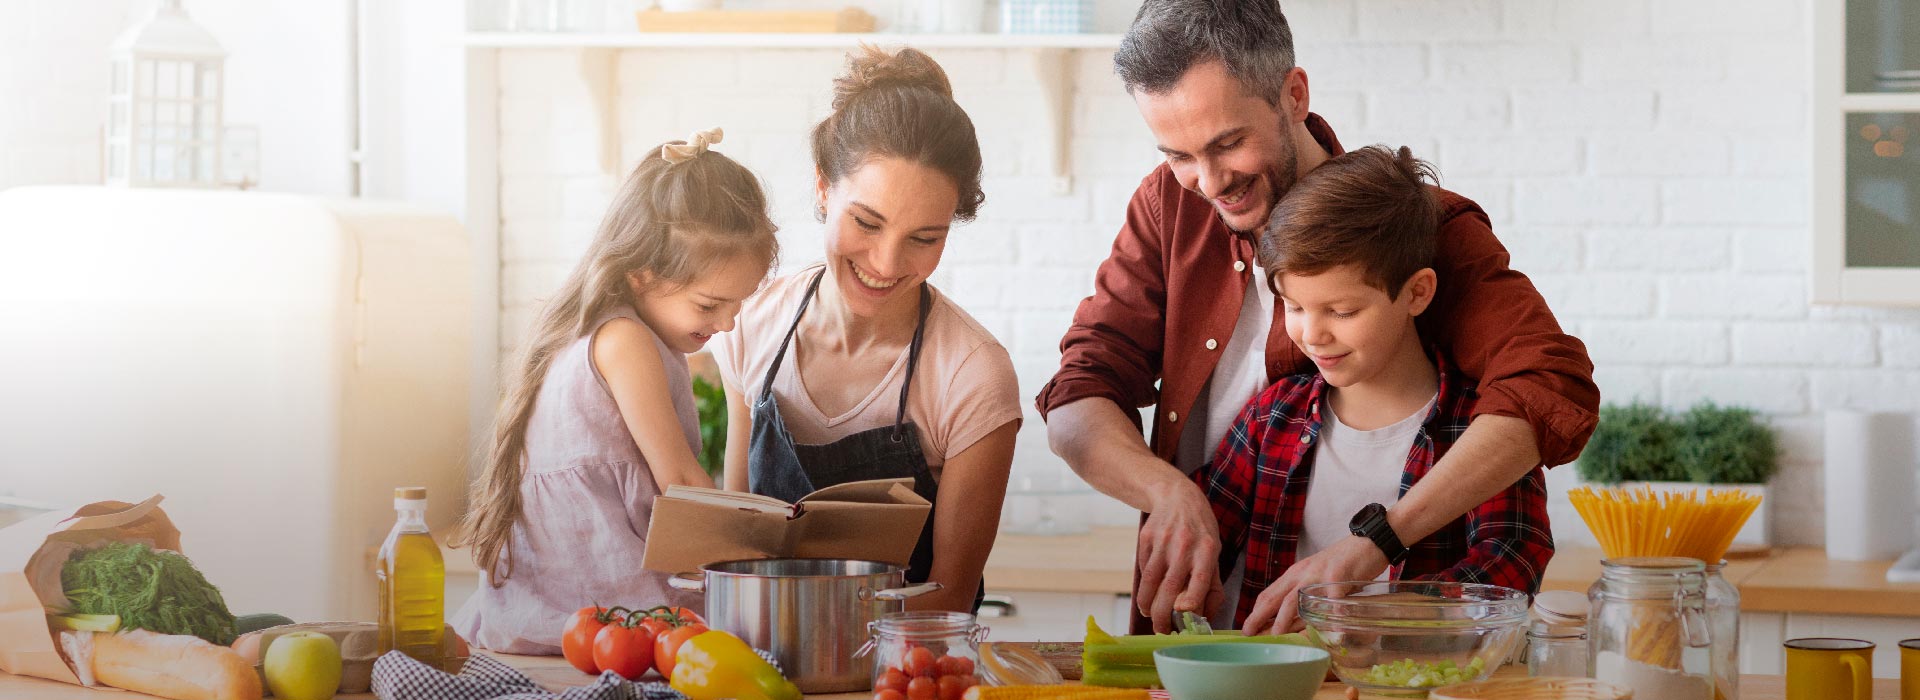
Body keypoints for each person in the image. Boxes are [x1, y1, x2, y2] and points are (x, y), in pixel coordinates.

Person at [1035, 0, 1599, 633]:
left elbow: (1546, 387)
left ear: (1294, 94)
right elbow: (1080, 394)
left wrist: (1375, 547)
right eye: (1179, 154)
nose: (1209, 181)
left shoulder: (1414, 224)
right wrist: (1167, 493)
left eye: (1229, 142)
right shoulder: (1169, 203)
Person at [1193, 145, 1553, 634]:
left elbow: (1509, 567)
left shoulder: (1480, 431)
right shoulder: (1269, 418)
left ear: (1417, 292)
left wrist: (1360, 620)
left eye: (1342, 311)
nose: (1312, 335)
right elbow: (1204, 537)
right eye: (1294, 306)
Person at [714, 46, 1022, 614]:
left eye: (924, 238)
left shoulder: (972, 374)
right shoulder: (750, 324)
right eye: (867, 222)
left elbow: (950, 598)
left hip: (906, 672)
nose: (885, 262)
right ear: (824, 188)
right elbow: (739, 549)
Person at [451, 129, 779, 653]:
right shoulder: (625, 340)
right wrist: (750, 561)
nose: (727, 324)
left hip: (558, 607)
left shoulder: (609, 328)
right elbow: (679, 480)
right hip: (602, 607)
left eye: (737, 306)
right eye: (709, 305)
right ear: (642, 276)